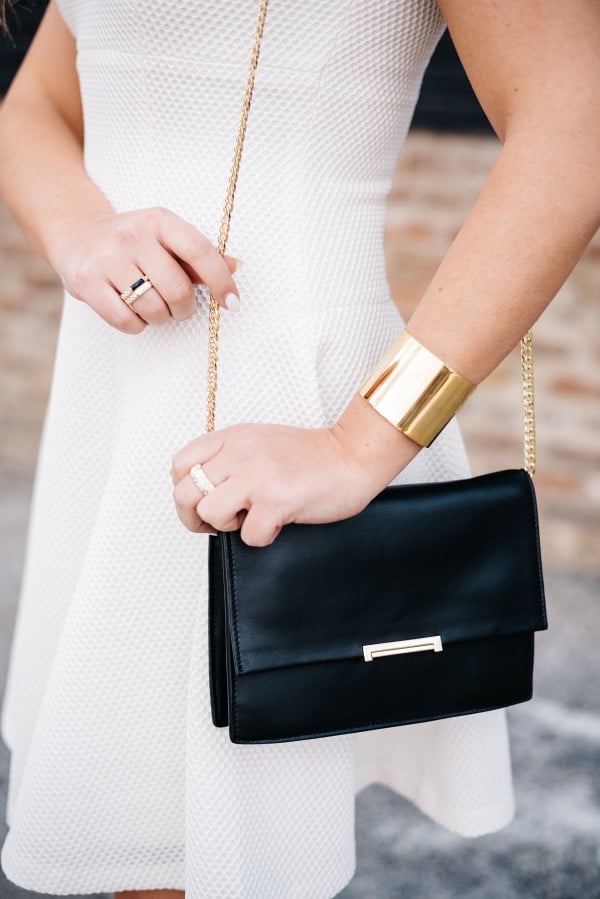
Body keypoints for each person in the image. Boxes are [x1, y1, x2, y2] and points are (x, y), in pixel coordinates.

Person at [0, 1, 598, 897]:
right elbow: (34, 105)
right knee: (145, 835)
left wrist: (362, 443)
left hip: (269, 401)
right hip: (114, 395)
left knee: (207, 851)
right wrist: (78, 227)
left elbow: (576, 118)